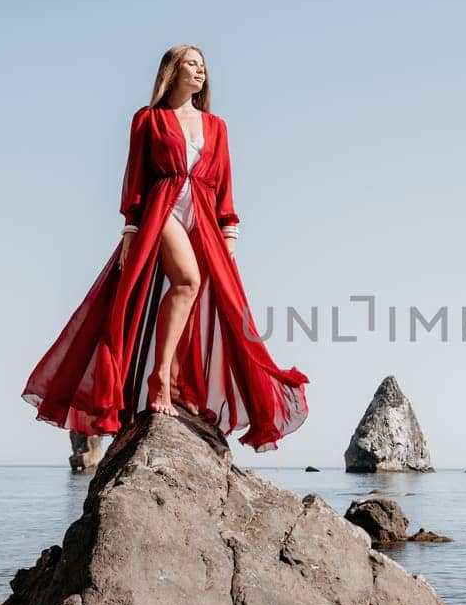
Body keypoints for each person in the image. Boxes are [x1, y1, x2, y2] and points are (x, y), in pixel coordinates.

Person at [21, 45, 309, 451]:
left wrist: (229, 228)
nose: (200, 71)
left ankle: (177, 382)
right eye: (192, 64)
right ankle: (158, 381)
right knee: (187, 282)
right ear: (172, 72)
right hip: (163, 210)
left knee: (209, 302)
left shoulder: (217, 126)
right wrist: (131, 229)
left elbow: (223, 180)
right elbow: (135, 176)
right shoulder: (148, 119)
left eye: (204, 66)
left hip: (205, 217)